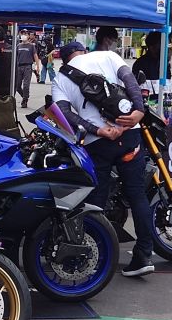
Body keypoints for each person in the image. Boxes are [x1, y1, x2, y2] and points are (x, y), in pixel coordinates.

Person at [52, 29, 157, 277]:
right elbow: (130, 80)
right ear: (83, 51)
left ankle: (98, 260)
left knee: (95, 203)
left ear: (65, 60)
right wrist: (138, 112)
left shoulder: (60, 79)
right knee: (137, 195)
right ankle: (144, 255)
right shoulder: (107, 57)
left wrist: (97, 130)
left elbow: (64, 113)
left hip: (97, 143)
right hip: (129, 134)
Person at [15, 30, 37, 108]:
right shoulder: (18, 46)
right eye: (22, 34)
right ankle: (25, 96)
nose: (23, 35)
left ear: (28, 36)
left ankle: (25, 100)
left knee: (26, 85)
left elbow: (35, 56)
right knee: (17, 86)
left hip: (27, 67)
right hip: (19, 67)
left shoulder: (31, 46)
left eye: (25, 34)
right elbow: (15, 57)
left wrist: (37, 66)